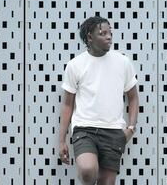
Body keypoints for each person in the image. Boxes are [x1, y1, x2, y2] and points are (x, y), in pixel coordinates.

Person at [59, 16, 139, 185]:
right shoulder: (75, 65)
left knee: (107, 182)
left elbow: (133, 98)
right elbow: (67, 104)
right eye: (103, 33)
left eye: (110, 33)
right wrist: (61, 140)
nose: (109, 37)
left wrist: (130, 128)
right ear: (90, 37)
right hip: (84, 129)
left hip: (114, 132)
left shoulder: (123, 62)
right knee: (88, 171)